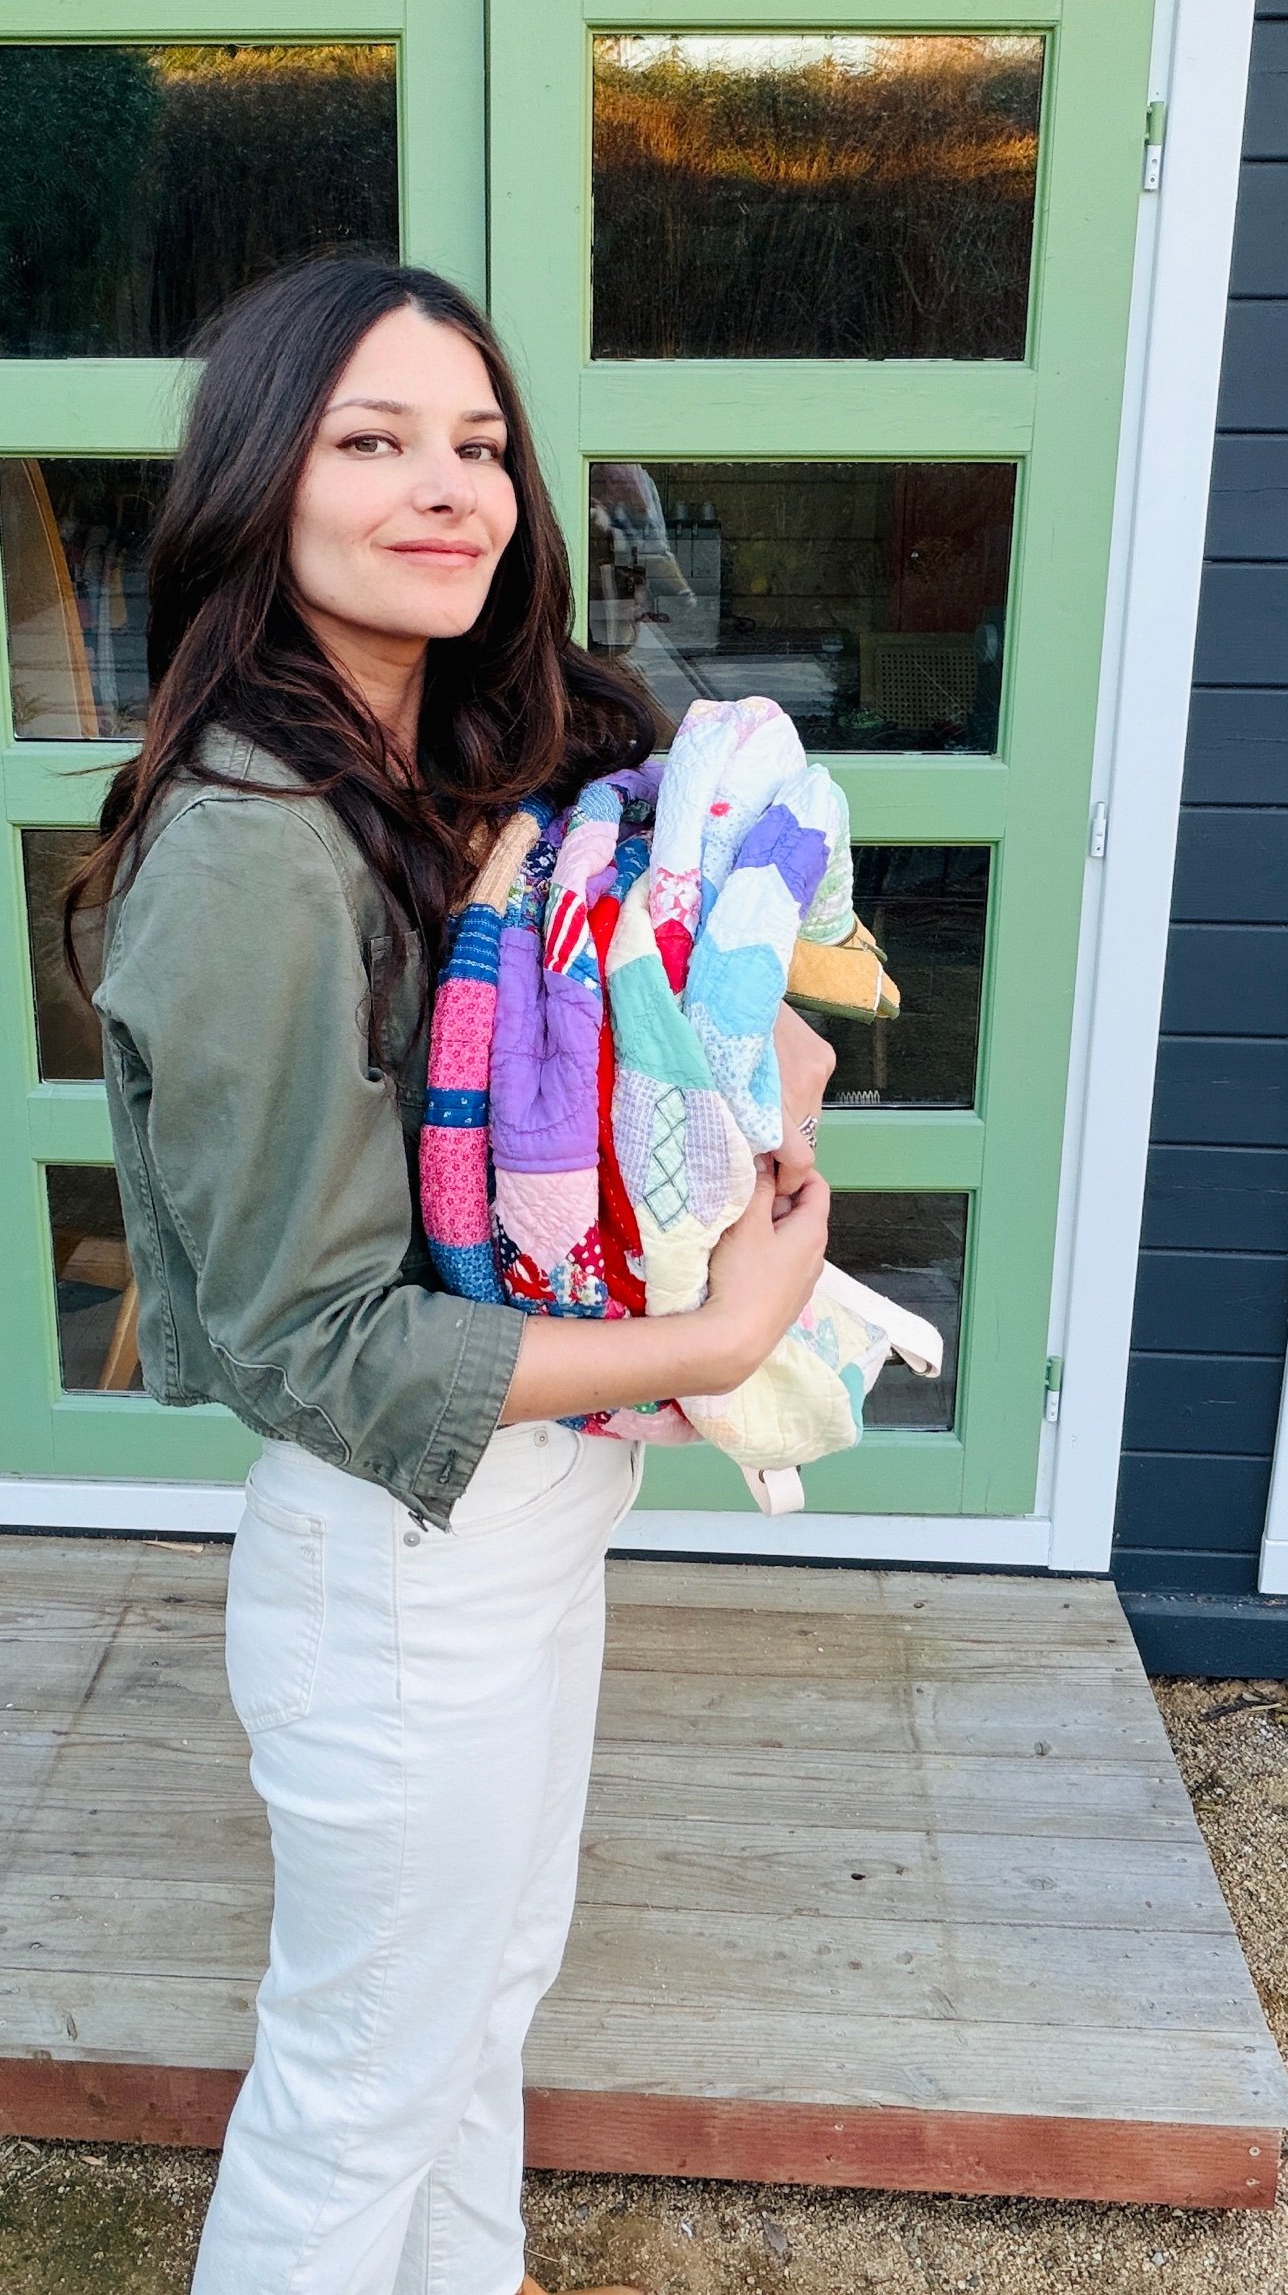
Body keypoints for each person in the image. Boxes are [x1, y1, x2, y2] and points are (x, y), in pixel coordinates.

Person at [71, 257, 834, 2295]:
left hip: (532, 1513)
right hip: (402, 1569)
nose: (448, 486)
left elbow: (586, 1065)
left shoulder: (471, 760)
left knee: (480, 2011)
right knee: (353, 2097)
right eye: (372, 438)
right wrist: (713, 1333)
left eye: (479, 443)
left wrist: (741, 1069)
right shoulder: (252, 847)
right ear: (261, 481)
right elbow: (308, 1337)